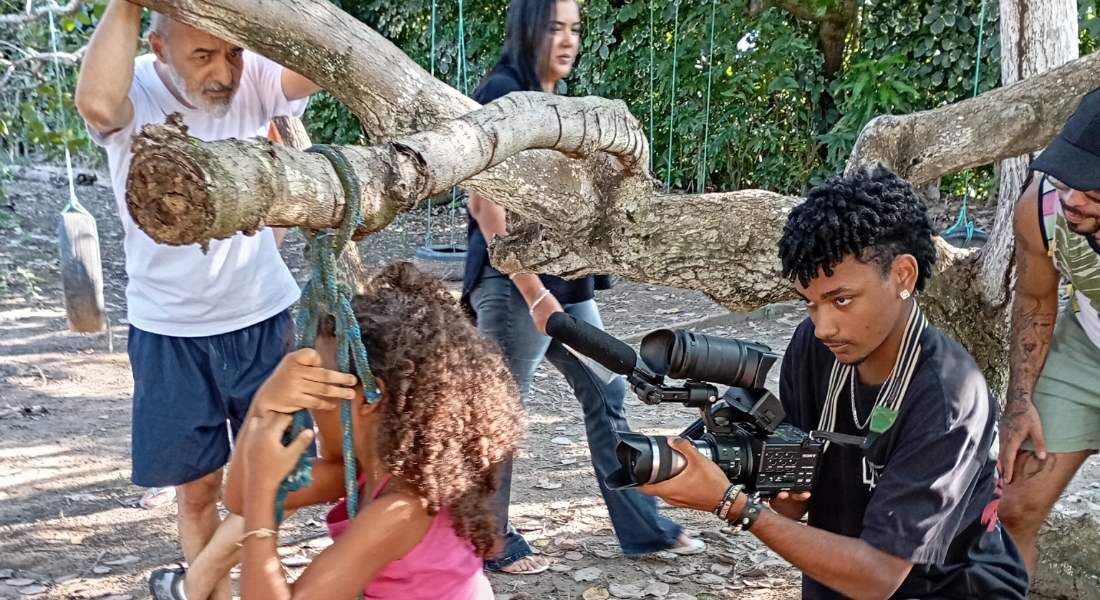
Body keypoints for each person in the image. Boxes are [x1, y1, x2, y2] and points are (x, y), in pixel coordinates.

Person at [638, 167, 1029, 599]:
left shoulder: (949, 394)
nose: (823, 326)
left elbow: (879, 575)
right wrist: (778, 492)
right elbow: (795, 491)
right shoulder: (816, 347)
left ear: (903, 275)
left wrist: (731, 503)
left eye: (841, 300)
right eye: (810, 304)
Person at [74, 3, 320, 598]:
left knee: (282, 478)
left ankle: (202, 581)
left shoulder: (257, 76)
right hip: (168, 329)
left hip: (262, 319)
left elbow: (317, 59)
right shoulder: (130, 82)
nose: (225, 72)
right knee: (198, 491)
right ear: (159, 51)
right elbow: (99, 106)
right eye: (202, 55)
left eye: (232, 52)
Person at [462, 0, 701, 574]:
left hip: (565, 281)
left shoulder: (563, 101)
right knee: (499, 414)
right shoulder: (502, 92)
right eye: (555, 27)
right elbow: (483, 202)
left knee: (608, 391)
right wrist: (532, 292)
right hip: (513, 285)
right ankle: (487, 540)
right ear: (528, 29)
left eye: (575, 28)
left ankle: (644, 530)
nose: (567, 40)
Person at [151, 263, 523, 599]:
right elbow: (240, 500)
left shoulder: (400, 510)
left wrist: (265, 494)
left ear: (368, 397)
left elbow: (257, 502)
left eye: (316, 387)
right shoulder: (372, 472)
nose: (307, 404)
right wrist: (267, 403)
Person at [998, 87, 1100, 577]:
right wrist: (1020, 401)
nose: (1073, 198)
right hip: (1085, 347)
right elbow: (1036, 299)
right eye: (1068, 178)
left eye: (1094, 186)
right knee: (1013, 506)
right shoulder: (1042, 207)